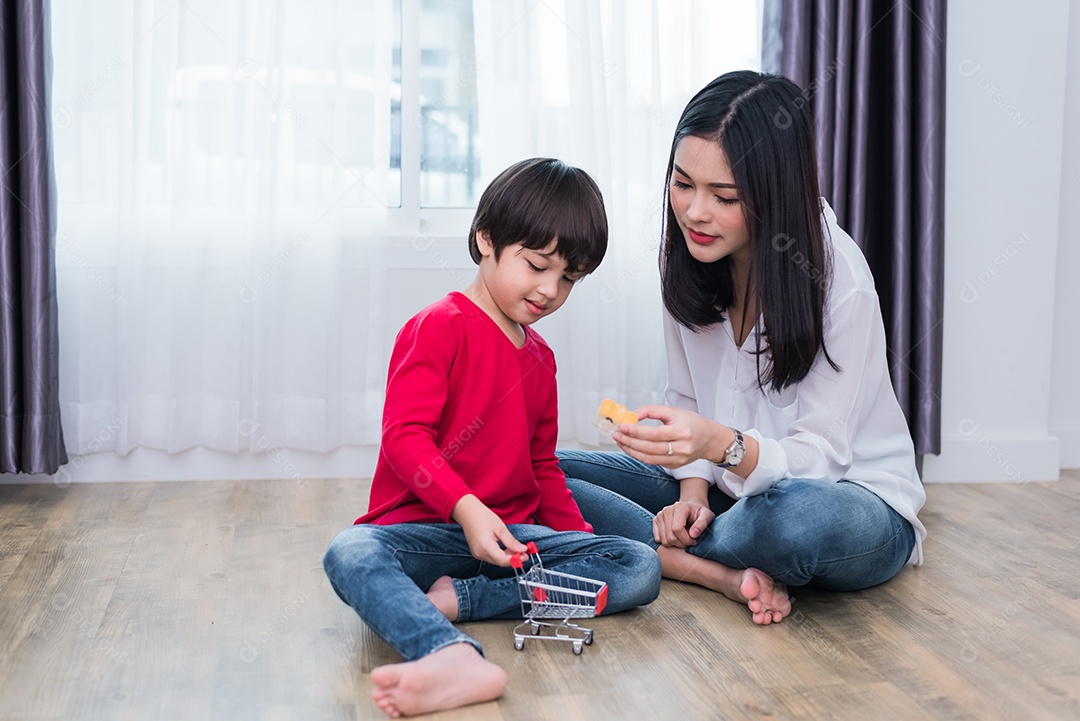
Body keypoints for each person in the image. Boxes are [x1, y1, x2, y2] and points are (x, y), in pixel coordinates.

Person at [558, 70, 927, 626]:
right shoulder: (683, 257)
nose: (695, 213)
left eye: (723, 196)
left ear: (774, 194)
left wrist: (723, 446)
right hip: (729, 496)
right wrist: (692, 496)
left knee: (791, 524)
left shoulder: (838, 280)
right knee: (540, 469)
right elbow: (687, 396)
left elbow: (823, 458)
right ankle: (714, 564)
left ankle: (660, 552)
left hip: (845, 499)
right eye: (683, 185)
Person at [323, 157, 662, 718]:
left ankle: (462, 602)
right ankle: (448, 653)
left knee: (636, 565)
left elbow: (543, 466)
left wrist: (577, 545)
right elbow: (405, 439)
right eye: (536, 265)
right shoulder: (438, 326)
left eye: (570, 279)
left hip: (515, 545)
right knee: (350, 553)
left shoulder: (541, 359)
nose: (551, 290)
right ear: (485, 238)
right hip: (426, 533)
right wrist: (467, 509)